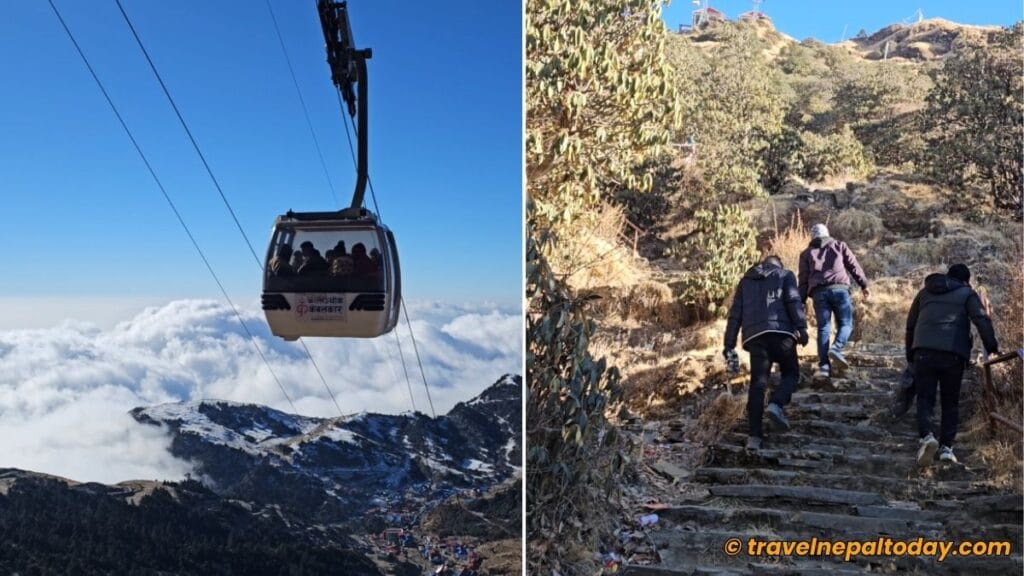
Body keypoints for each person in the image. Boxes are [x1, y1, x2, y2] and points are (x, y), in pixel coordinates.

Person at [907, 264, 998, 466]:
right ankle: (946, 448)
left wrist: (910, 354)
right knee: (950, 402)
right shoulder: (967, 293)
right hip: (952, 354)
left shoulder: (924, 293)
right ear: (966, 280)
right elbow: (981, 319)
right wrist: (991, 345)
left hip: (923, 351)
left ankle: (927, 437)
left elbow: (911, 325)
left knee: (924, 398)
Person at [724, 255, 809, 451]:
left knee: (758, 384)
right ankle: (776, 404)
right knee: (791, 373)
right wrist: (801, 327)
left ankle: (754, 436)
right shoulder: (785, 275)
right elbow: (793, 301)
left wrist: (729, 345)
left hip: (755, 337)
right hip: (782, 333)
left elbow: (735, 315)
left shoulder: (745, 281)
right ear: (779, 265)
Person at [798, 223, 870, 379]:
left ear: (812, 236)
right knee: (846, 324)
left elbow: (803, 279)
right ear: (827, 233)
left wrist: (801, 300)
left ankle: (824, 366)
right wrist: (863, 284)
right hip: (840, 290)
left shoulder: (806, 254)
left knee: (824, 328)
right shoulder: (839, 245)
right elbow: (853, 266)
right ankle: (836, 348)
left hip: (819, 293)